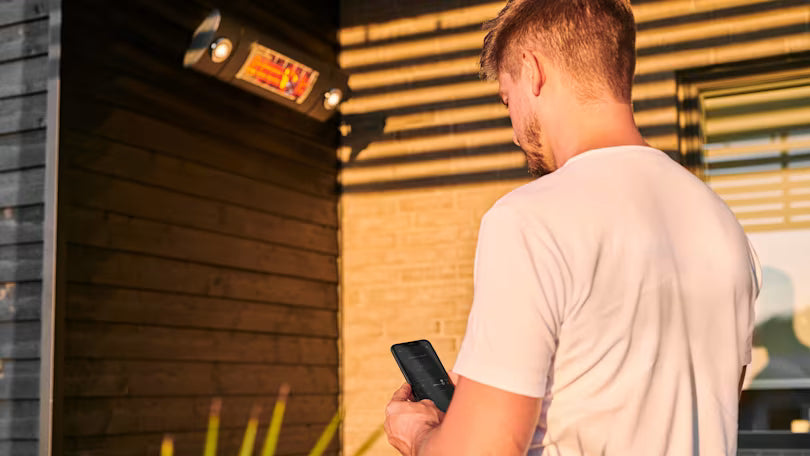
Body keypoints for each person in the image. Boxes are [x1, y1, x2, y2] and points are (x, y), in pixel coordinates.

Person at [383, 0, 761, 455]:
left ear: (532, 70)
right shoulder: (722, 224)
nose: (514, 131)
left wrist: (418, 435)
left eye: (507, 99)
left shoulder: (529, 219)